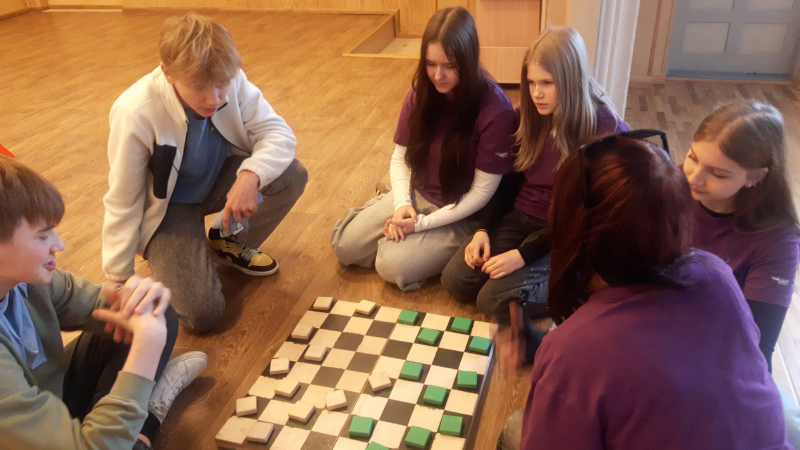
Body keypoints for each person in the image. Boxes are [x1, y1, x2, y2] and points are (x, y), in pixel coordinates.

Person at [519, 134, 789, 448]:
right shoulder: (717, 272)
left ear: (566, 221)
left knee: (515, 426)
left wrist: (558, 361)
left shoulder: (572, 351)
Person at [102, 13, 308, 331]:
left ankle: (227, 242)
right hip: (167, 210)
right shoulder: (134, 111)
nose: (214, 99)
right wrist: (119, 277)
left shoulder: (231, 78)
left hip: (216, 181)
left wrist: (249, 176)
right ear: (168, 73)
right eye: (199, 87)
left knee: (290, 174)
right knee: (203, 315)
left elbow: (278, 133)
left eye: (222, 85)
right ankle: (176, 252)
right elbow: (123, 198)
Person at [0, 156, 207, 450]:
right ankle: (143, 422)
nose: (59, 245)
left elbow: (97, 303)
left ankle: (123, 422)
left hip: (43, 399)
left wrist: (134, 299)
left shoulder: (25, 282)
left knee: (156, 313)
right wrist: (146, 352)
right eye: (42, 236)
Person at [442, 26, 627, 329]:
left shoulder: (604, 128)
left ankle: (580, 285)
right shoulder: (527, 115)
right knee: (456, 280)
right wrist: (484, 229)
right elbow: (508, 180)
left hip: (565, 231)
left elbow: (587, 216)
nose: (536, 93)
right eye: (531, 82)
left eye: (547, 83)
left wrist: (523, 255)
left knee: (492, 300)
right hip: (521, 216)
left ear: (571, 80)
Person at [330, 6, 516, 291]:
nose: (438, 75)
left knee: (391, 265)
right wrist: (402, 204)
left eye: (449, 66)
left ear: (468, 60)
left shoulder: (495, 109)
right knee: (345, 245)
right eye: (430, 64)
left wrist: (418, 226)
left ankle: (408, 236)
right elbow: (401, 157)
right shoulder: (421, 90)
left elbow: (480, 195)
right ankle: (389, 205)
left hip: (461, 212)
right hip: (419, 193)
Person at [684, 100, 799, 373]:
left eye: (718, 174)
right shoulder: (668, 186)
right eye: (692, 157)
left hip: (713, 350)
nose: (693, 178)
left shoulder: (777, 240)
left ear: (755, 176)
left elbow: (757, 345)